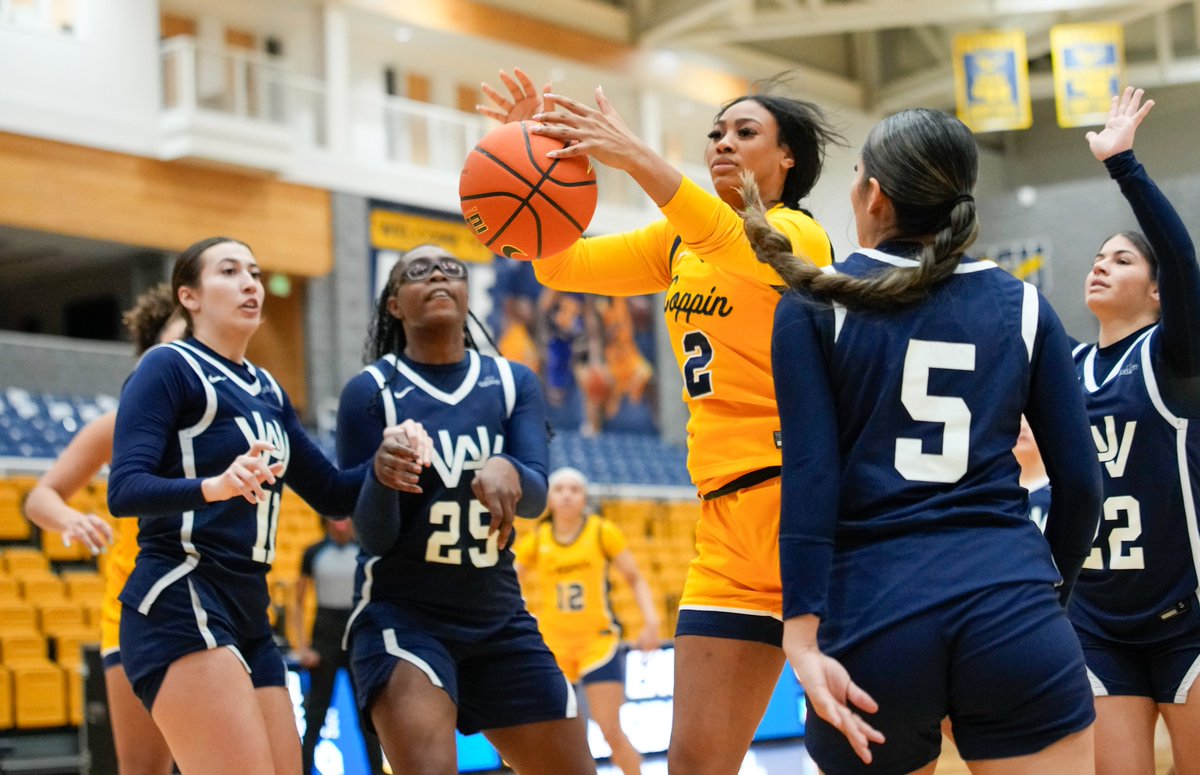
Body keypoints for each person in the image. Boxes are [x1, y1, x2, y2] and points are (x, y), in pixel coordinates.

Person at [479, 67, 840, 774]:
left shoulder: (798, 233)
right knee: (695, 765)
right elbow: (558, 268)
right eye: (715, 133)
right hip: (722, 521)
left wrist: (633, 154)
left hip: (800, 507)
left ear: (788, 156)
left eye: (745, 131)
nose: (723, 143)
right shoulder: (679, 243)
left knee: (876, 745)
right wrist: (533, 155)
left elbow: (731, 240)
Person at [745, 107, 1102, 773]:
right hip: (1011, 605)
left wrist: (800, 629)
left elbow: (812, 478)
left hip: (876, 621)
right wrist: (1045, 595)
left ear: (874, 193)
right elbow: (1081, 485)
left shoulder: (814, 304)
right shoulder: (1024, 306)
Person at [106, 237, 383, 775]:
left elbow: (329, 492)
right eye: (229, 271)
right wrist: (214, 486)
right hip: (181, 594)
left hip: (248, 609)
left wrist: (388, 459)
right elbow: (125, 490)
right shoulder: (168, 366)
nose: (250, 283)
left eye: (254, 273)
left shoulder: (269, 389)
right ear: (189, 296)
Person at [337, 244, 595, 774]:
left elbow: (538, 495)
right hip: (403, 616)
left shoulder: (511, 381)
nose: (437, 273)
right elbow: (373, 537)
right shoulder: (370, 392)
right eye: (418, 271)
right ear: (394, 305)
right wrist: (382, 477)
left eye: (451, 269)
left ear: (466, 292)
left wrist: (511, 469)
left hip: (499, 617)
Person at [1067, 88, 1200, 775]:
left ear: (1155, 291)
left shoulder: (1174, 359)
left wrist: (1126, 168)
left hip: (1189, 611)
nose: (1100, 264)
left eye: (1121, 259)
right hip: (1099, 619)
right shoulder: (1063, 365)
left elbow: (1183, 263)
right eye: (1097, 257)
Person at [22, 283, 184, 775]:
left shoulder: (234, 418)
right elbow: (40, 497)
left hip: (216, 603)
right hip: (138, 612)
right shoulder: (123, 423)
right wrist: (71, 518)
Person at [513, 466, 660, 775]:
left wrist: (651, 621)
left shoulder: (601, 531)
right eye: (560, 489)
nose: (567, 495)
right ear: (549, 498)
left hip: (598, 644)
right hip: (554, 648)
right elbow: (508, 582)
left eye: (574, 489)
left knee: (610, 730)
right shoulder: (537, 539)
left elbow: (634, 577)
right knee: (551, 736)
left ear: (583, 498)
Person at [294, 518, 384, 775]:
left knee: (366, 717)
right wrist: (302, 647)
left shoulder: (364, 552)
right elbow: (298, 601)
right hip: (325, 636)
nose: (341, 523)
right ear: (326, 522)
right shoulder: (313, 553)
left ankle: (377, 771)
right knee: (315, 715)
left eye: (345, 517)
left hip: (359, 634)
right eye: (335, 517)